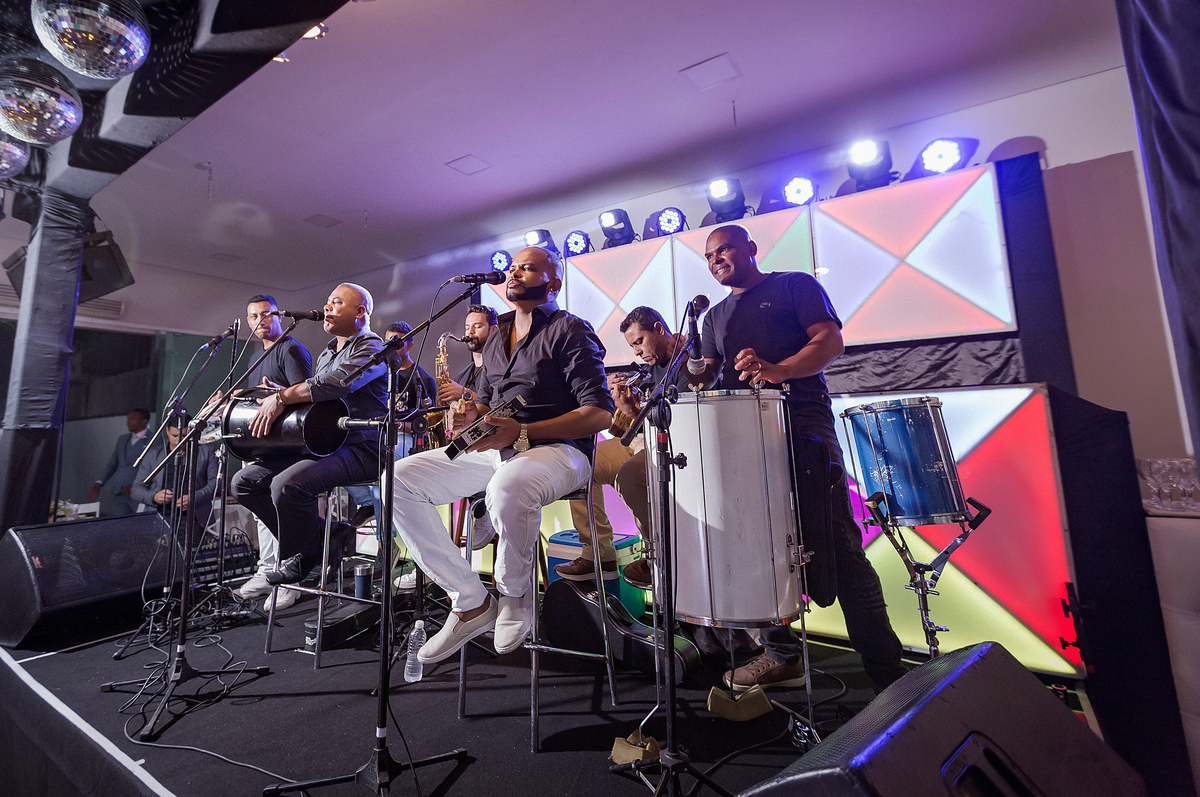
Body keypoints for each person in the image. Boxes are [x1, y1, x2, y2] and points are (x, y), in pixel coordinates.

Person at [694, 224, 907, 694]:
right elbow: (707, 375)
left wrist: (779, 371)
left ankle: (888, 677)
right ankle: (781, 658)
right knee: (755, 551)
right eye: (708, 256)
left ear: (751, 249)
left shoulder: (794, 285)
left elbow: (829, 341)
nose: (716, 260)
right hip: (741, 442)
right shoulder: (714, 317)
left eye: (724, 249)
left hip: (804, 429)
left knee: (839, 549)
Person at [390, 246, 613, 664]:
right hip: (503, 449)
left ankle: (514, 593)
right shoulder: (497, 335)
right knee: (397, 478)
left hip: (560, 451)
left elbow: (600, 413)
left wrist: (525, 430)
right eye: (512, 268)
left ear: (553, 283)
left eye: (527, 268)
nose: (514, 273)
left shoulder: (570, 330)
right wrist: (473, 416)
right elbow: (489, 404)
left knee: (507, 487)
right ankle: (470, 600)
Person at [230, 283, 388, 609]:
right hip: (326, 444)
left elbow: (335, 384)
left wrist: (282, 396)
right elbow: (318, 400)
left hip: (362, 447)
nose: (327, 307)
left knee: (286, 485)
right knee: (244, 482)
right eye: (327, 301)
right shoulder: (328, 353)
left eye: (337, 302)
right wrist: (277, 394)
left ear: (360, 312)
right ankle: (326, 537)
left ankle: (300, 557)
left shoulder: (373, 346)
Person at [554, 306, 698, 587]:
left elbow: (683, 426)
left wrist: (633, 411)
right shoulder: (648, 370)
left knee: (629, 475)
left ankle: (659, 554)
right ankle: (599, 554)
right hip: (640, 442)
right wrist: (620, 404)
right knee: (581, 464)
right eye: (632, 346)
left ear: (659, 329)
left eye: (639, 341)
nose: (636, 351)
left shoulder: (686, 362)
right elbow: (623, 432)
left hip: (670, 446)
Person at [231, 294, 314, 603]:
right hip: (261, 444)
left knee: (280, 505)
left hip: (287, 448)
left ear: (279, 316)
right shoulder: (254, 357)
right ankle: (268, 570)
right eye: (254, 316)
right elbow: (261, 400)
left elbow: (307, 400)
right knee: (259, 512)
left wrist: (281, 395)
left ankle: (291, 576)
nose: (260, 321)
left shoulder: (291, 349)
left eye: (266, 314)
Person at [343, 320, 436, 530]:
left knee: (382, 471)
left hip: (405, 439)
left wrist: (398, 426)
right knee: (337, 454)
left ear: (410, 345)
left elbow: (428, 425)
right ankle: (367, 503)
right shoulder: (375, 373)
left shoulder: (421, 379)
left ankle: (385, 542)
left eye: (397, 342)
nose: (390, 347)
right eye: (387, 342)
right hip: (375, 434)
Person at [130, 414, 220, 530]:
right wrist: (154, 497)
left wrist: (194, 497)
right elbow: (136, 489)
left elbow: (216, 483)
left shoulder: (206, 451)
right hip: (158, 518)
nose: (179, 441)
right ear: (167, 431)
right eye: (174, 436)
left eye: (184, 436)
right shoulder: (153, 455)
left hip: (194, 519)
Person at [88, 409, 152, 515]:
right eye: (128, 419)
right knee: (119, 523)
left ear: (145, 421)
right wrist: (99, 483)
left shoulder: (154, 440)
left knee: (138, 523)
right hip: (119, 492)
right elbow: (112, 464)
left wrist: (136, 486)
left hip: (140, 493)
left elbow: (154, 468)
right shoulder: (122, 439)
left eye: (132, 419)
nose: (128, 422)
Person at [436, 304, 499, 405]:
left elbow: (499, 405)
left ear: (493, 330)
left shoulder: (500, 370)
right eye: (467, 327)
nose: (470, 332)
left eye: (477, 326)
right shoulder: (462, 376)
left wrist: (465, 393)